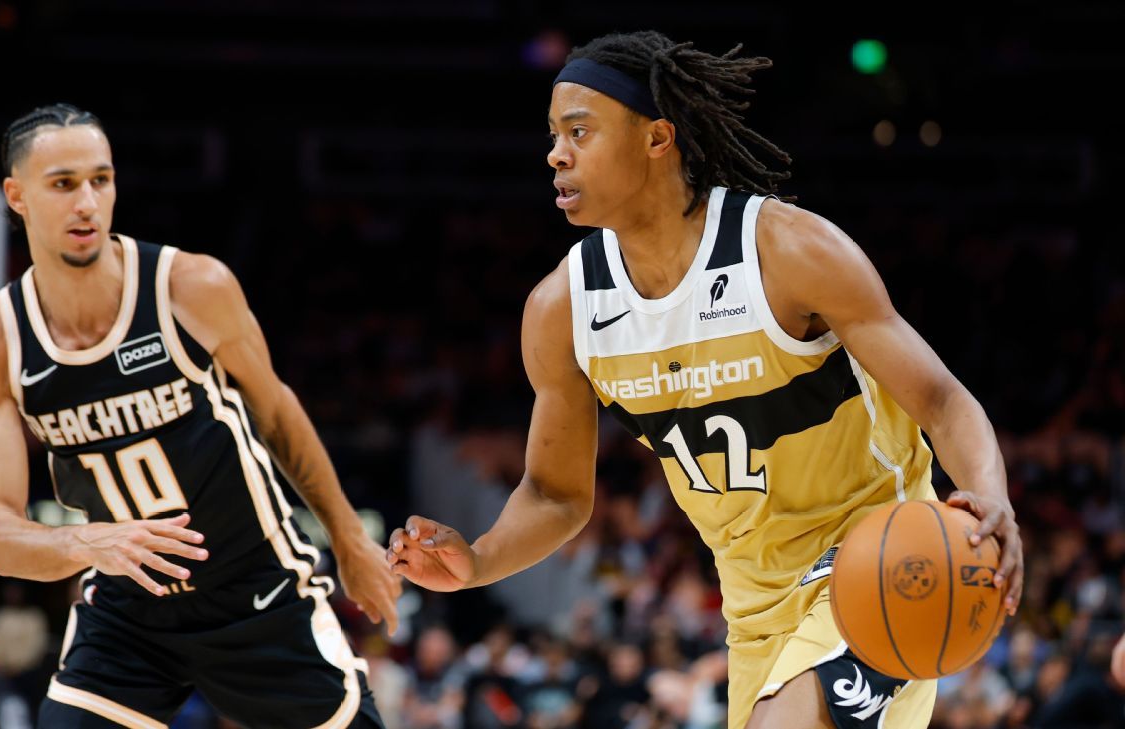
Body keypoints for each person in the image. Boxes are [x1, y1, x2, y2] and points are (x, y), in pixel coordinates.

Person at [386, 31, 1022, 729]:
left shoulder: (787, 251)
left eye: (579, 131)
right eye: (553, 136)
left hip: (880, 562)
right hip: (752, 610)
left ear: (657, 138)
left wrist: (991, 498)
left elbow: (940, 399)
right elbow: (555, 494)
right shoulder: (561, 310)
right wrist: (477, 561)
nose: (556, 154)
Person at [0, 103, 399, 728]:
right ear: (16, 195)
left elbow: (276, 411)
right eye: (63, 184)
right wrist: (87, 541)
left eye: (101, 180)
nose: (87, 203)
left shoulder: (190, 286)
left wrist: (348, 538)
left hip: (255, 592)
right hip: (129, 612)